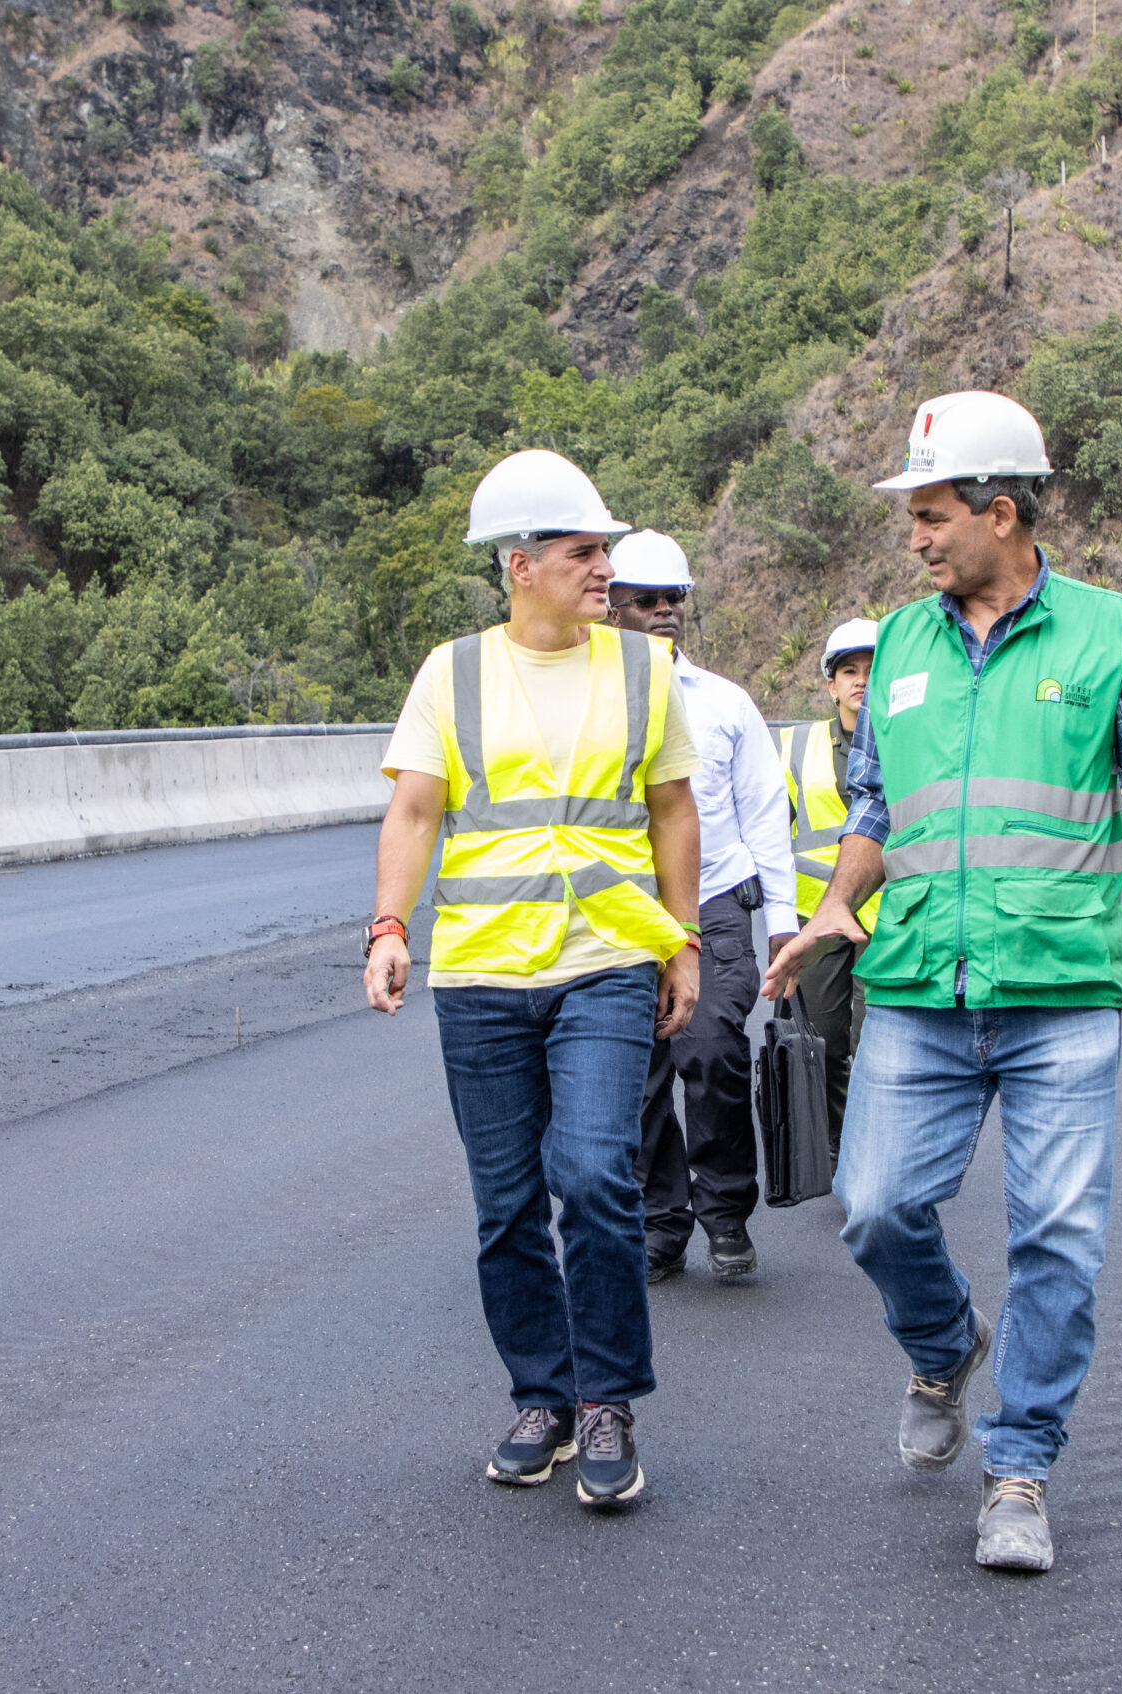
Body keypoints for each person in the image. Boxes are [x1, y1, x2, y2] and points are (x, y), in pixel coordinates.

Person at [761, 393, 1122, 1574]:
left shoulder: (1105, 632)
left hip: (1059, 991)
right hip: (922, 982)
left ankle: (1018, 1466)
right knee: (873, 1204)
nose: (915, 539)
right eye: (911, 519)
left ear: (1001, 510)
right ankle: (942, 1342)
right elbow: (878, 803)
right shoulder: (901, 647)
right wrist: (837, 899)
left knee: (1061, 1239)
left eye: (931, 516)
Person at [365, 450, 704, 1510]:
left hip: (605, 958)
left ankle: (607, 1396)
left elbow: (673, 811)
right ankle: (542, 1398)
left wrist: (682, 939)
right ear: (521, 565)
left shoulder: (644, 671)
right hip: (478, 974)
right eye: (583, 550)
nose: (605, 565)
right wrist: (388, 925)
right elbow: (415, 810)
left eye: (604, 548)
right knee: (505, 1201)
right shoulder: (450, 673)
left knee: (596, 1172)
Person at [603, 530, 796, 1284]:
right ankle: (662, 1218)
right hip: (621, 914)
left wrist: (783, 922)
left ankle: (724, 1214)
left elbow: (763, 813)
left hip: (714, 907)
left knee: (712, 1054)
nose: (662, 612)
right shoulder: (590, 705)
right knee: (636, 1074)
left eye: (672, 599)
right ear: (610, 607)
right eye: (644, 600)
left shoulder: (724, 705)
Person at [778, 619, 882, 1157]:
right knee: (823, 1040)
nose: (861, 681)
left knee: (875, 1044)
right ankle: (839, 1145)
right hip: (816, 918)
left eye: (872, 670)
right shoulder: (796, 746)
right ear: (830, 682)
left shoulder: (908, 742)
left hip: (891, 919)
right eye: (849, 671)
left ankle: (867, 1151)